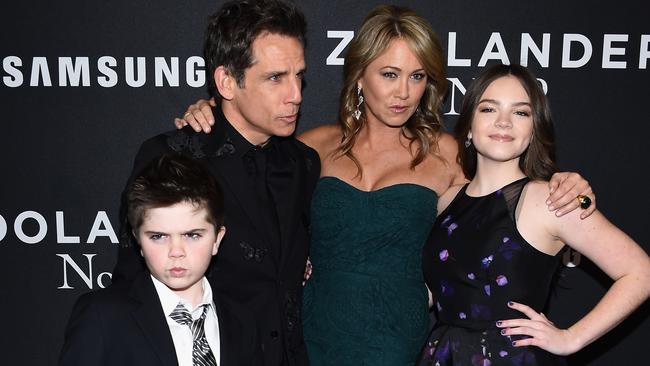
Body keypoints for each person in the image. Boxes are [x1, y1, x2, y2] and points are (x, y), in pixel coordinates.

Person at [178, 5, 595, 365]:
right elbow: (244, 177)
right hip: (313, 332)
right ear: (359, 76)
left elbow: (503, 215)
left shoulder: (446, 153)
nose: (403, 93)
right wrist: (209, 112)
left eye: (417, 77)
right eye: (390, 74)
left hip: (398, 338)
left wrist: (571, 192)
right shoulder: (312, 147)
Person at [113, 1, 319, 365]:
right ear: (226, 82)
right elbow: (132, 284)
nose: (296, 95)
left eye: (299, 75)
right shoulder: (173, 156)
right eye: (275, 78)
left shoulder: (304, 163)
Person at [418, 64, 650, 365]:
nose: (504, 122)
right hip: (443, 355)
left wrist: (571, 338)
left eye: (520, 112)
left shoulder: (551, 199)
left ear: (533, 130)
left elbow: (640, 273)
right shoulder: (445, 201)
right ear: (469, 127)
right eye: (489, 109)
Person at [59, 154, 262, 366]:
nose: (176, 251)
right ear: (138, 240)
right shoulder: (103, 316)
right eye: (158, 236)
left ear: (217, 240)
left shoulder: (242, 320)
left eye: (192, 235)